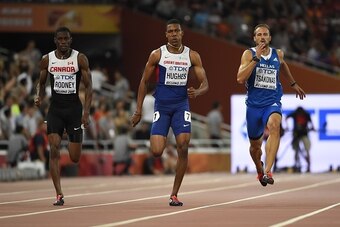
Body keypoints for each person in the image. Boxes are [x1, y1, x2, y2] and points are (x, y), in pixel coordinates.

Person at [130, 19, 209, 206]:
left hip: (181, 105)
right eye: (170, 31)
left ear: (182, 33)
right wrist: (138, 110)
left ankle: (174, 194)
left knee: (183, 144)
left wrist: (197, 91)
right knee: (157, 151)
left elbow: (205, 84)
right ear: (166, 34)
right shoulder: (157, 55)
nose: (174, 34)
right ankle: (166, 162)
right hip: (162, 106)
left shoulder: (192, 56)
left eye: (177, 31)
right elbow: (143, 82)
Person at [236, 23, 306, 186]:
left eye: (265, 34)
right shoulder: (248, 54)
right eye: (259, 35)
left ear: (270, 38)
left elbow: (283, 65)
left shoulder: (278, 54)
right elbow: (240, 78)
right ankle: (259, 169)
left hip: (272, 101)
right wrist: (256, 59)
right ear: (254, 38)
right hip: (254, 106)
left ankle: (268, 170)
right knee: (255, 148)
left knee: (275, 126)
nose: (262, 37)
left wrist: (293, 83)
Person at [34, 27, 92, 205]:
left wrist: (86, 112)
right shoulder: (47, 59)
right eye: (60, 39)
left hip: (74, 110)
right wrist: (39, 95)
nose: (63, 42)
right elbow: (41, 83)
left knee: (74, 157)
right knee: (54, 149)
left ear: (70, 40)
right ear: (55, 40)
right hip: (55, 110)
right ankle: (59, 193)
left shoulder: (79, 58)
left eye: (66, 39)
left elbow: (89, 87)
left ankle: (71, 137)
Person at [286, 106, 314, 172]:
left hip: (304, 134)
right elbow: (286, 118)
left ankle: (308, 165)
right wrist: (287, 127)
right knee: (296, 150)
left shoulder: (306, 114)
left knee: (307, 150)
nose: (300, 114)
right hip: (296, 134)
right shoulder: (295, 113)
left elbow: (311, 123)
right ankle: (296, 165)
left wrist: (312, 127)